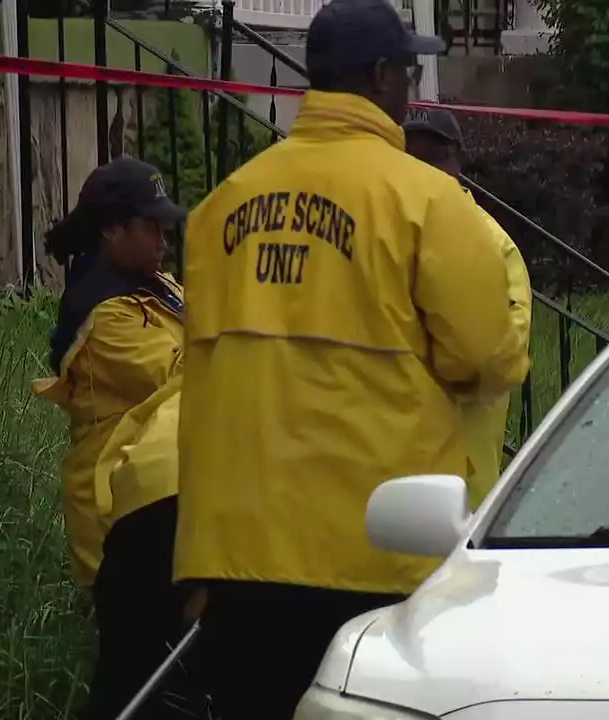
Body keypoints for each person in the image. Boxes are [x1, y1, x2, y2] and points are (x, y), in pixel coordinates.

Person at [174, 0, 531, 715]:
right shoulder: (430, 204)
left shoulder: (219, 207)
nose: (414, 86)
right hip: (374, 556)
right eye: (408, 69)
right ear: (379, 77)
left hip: (237, 556)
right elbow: (489, 361)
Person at [32, 156, 200, 720]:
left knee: (158, 673)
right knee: (139, 679)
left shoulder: (155, 286)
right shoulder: (106, 316)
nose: (163, 237)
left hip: (159, 501)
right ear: (112, 231)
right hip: (117, 511)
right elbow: (188, 373)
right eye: (149, 225)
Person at [404, 108, 533, 502]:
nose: (423, 169)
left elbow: (500, 357)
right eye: (411, 157)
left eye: (434, 157)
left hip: (464, 490)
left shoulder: (494, 245)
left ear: (457, 161)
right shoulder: (381, 234)